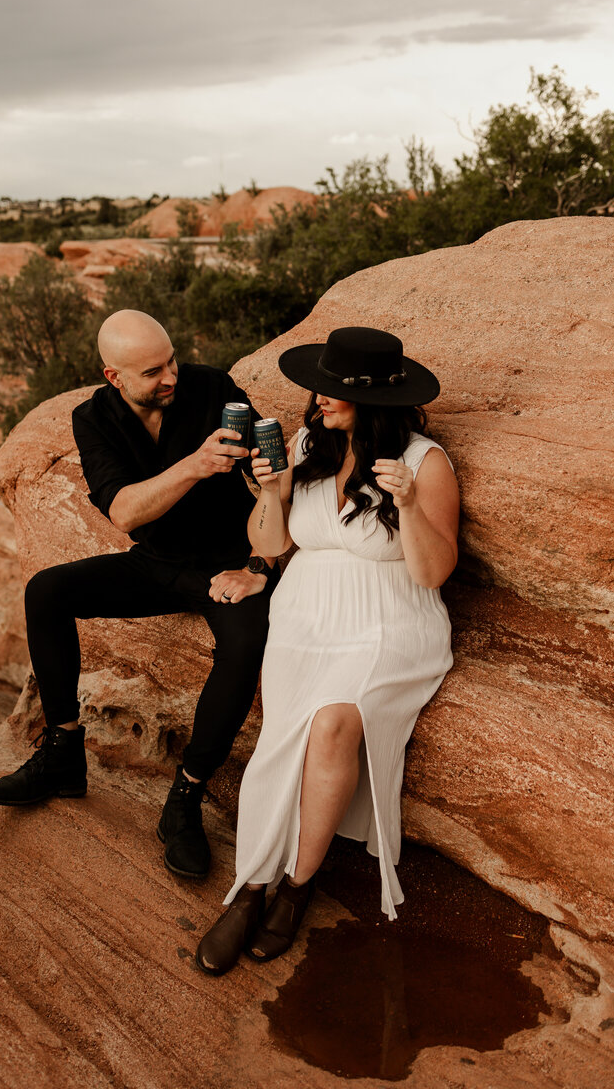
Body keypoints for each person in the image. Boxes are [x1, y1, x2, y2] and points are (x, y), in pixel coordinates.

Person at [0, 310, 278, 879]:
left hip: (227, 566)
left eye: (171, 361)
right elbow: (122, 512)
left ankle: (186, 794)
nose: (171, 377)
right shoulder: (93, 417)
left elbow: (273, 483)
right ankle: (63, 753)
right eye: (152, 372)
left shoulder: (213, 387)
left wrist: (261, 559)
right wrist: (194, 465)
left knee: (246, 646)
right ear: (114, 377)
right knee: (47, 591)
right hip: (156, 563)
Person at [196, 326, 459, 975]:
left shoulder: (426, 462)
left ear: (372, 400)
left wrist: (408, 506)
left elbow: (431, 573)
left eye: (332, 393)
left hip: (390, 622)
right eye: (318, 391)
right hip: (305, 613)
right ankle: (250, 885)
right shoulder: (308, 444)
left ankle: (295, 886)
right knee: (280, 742)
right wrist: (273, 491)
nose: (317, 402)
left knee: (333, 722)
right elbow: (273, 544)